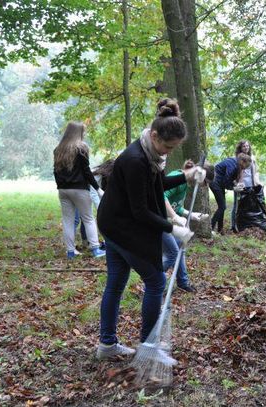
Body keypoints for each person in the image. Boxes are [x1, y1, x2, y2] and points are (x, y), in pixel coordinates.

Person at [96, 98, 205, 360]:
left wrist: (187, 176)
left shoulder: (150, 154)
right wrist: (173, 228)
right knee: (156, 281)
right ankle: (147, 347)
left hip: (115, 221)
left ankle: (107, 345)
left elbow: (157, 185)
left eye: (174, 148)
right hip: (121, 227)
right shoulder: (136, 160)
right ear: (154, 135)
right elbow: (140, 211)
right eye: (167, 146)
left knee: (116, 282)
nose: (168, 152)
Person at [53, 122, 106, 259]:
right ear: (78, 133)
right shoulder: (81, 148)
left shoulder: (58, 149)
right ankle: (95, 249)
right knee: (88, 218)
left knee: (67, 221)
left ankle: (70, 251)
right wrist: (98, 188)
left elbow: (55, 171)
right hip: (79, 189)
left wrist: (60, 185)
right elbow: (87, 171)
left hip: (63, 190)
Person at [163, 160, 215, 293]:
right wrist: (174, 217)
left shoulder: (185, 184)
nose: (204, 186)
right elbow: (162, 196)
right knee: (173, 252)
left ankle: (182, 282)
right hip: (156, 220)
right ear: (200, 175)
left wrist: (191, 215)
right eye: (206, 183)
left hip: (163, 220)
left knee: (180, 245)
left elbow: (177, 205)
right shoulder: (177, 177)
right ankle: (152, 278)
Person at [210, 153, 252, 234]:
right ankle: (211, 227)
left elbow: (228, 179)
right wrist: (234, 188)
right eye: (244, 167)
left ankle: (220, 229)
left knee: (222, 206)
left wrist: (236, 184)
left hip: (219, 183)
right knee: (222, 207)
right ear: (242, 161)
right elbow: (226, 181)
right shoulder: (233, 165)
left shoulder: (235, 162)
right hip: (215, 182)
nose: (243, 169)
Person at [232, 140, 261, 232]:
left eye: (247, 146)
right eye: (244, 146)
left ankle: (248, 224)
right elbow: (237, 172)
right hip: (240, 185)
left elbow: (255, 171)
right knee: (237, 205)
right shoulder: (237, 158)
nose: (246, 148)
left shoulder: (253, 157)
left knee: (249, 205)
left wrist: (256, 182)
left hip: (251, 185)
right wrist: (237, 184)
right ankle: (234, 225)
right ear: (240, 147)